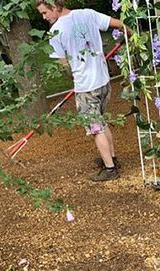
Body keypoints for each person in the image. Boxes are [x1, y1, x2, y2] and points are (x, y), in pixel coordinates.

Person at [36, 0, 128, 181]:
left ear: (55, 6)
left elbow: (65, 65)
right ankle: (111, 158)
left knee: (95, 129)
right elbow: (119, 23)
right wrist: (130, 33)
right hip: (103, 81)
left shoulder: (55, 32)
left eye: (45, 13)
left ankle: (110, 169)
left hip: (86, 86)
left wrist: (75, 79)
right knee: (101, 122)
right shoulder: (88, 14)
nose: (44, 17)